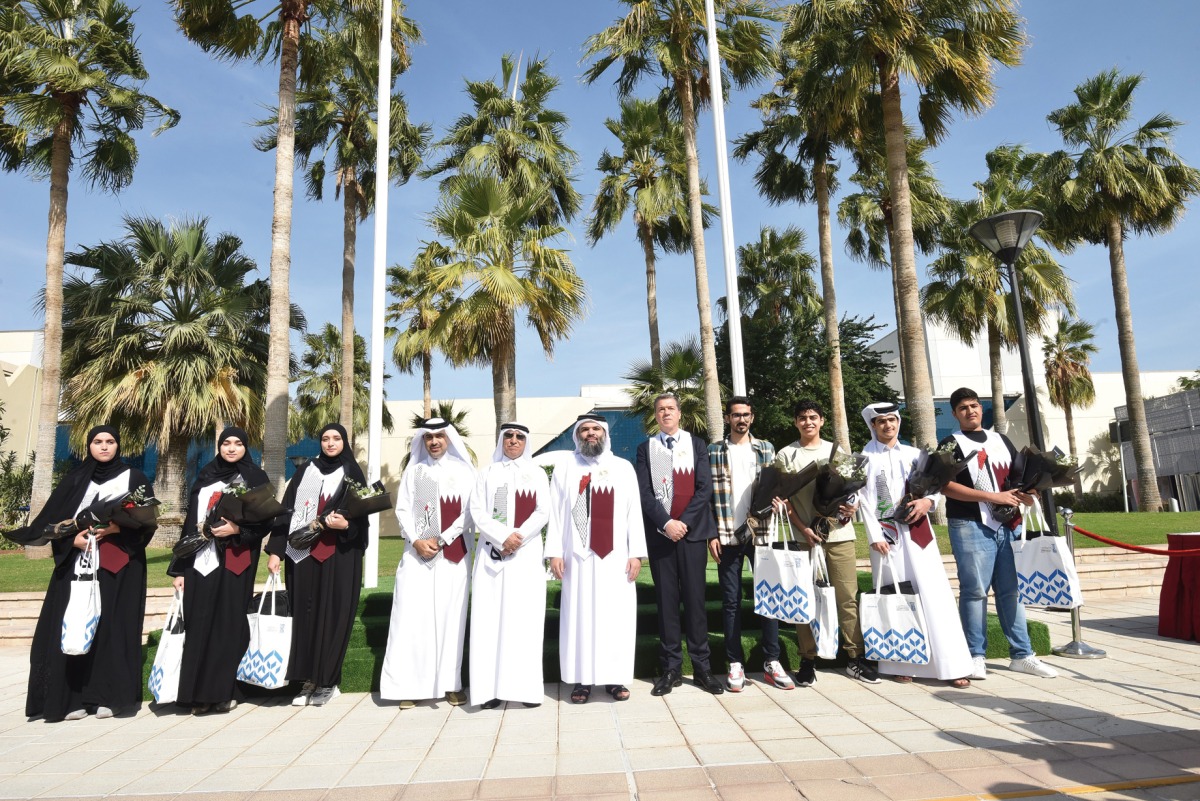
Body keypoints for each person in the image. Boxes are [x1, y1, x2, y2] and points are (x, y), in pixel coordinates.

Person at [18, 425, 157, 722]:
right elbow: (53, 525)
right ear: (89, 446)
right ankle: (72, 699)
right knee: (73, 625)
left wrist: (119, 527)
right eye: (97, 442)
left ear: (118, 446)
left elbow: (147, 523)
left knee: (112, 627)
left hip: (120, 565)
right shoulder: (75, 480)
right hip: (78, 563)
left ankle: (109, 697)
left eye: (109, 442)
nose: (104, 447)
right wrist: (72, 540)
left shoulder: (134, 478)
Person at [939, 387, 1058, 680]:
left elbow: (1017, 478)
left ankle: (1022, 654)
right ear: (955, 414)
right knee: (975, 591)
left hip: (1007, 525)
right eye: (964, 407)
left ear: (981, 408)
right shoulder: (950, 443)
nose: (971, 411)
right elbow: (945, 486)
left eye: (975, 405)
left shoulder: (1000, 439)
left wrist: (1029, 494)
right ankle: (975, 655)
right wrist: (994, 497)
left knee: (1010, 591)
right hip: (969, 524)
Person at [859, 403, 973, 687]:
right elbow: (861, 500)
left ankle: (951, 664)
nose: (888, 425)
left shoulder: (914, 455)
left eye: (892, 420)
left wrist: (928, 502)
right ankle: (901, 660)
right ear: (873, 425)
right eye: (881, 421)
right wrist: (874, 535)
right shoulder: (863, 458)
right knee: (895, 596)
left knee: (934, 594)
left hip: (918, 532)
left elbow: (936, 488)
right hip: (886, 538)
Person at [266, 423, 371, 707]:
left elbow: (363, 519)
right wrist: (276, 551)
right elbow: (286, 512)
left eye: (336, 438)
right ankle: (307, 681)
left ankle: (328, 681)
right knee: (306, 616)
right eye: (325, 438)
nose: (330, 443)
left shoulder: (352, 472)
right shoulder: (304, 471)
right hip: (302, 556)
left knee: (335, 616)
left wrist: (347, 524)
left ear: (344, 442)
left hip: (340, 555)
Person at [168, 427, 271, 714]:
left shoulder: (254, 477)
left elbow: (265, 521)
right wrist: (179, 569)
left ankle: (224, 692)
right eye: (226, 443)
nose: (231, 448)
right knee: (198, 624)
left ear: (245, 447)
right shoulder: (205, 476)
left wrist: (238, 529)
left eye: (238, 443)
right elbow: (190, 522)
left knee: (228, 625)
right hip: (200, 561)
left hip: (234, 559)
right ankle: (197, 694)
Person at [776, 400, 878, 686]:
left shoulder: (836, 451)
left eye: (812, 417)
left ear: (821, 421)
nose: (808, 422)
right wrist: (802, 529)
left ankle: (854, 657)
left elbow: (851, 491)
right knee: (804, 600)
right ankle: (808, 659)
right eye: (802, 418)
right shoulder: (786, 454)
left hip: (838, 537)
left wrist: (851, 506)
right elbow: (784, 499)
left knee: (846, 597)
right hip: (803, 538)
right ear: (795, 422)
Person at [547, 414, 647, 704]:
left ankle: (614, 679)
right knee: (580, 617)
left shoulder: (623, 467)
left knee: (615, 617)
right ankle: (582, 680)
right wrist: (554, 552)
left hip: (615, 559)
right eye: (585, 430)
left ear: (604, 433)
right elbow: (555, 512)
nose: (591, 434)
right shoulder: (565, 468)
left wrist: (636, 553)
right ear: (578, 435)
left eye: (595, 429)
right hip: (577, 558)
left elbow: (633, 513)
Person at [380, 417, 477, 707]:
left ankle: (450, 685)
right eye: (428, 437)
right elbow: (403, 510)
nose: (434, 442)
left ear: (449, 439)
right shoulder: (415, 472)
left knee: (451, 619)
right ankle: (408, 687)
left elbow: (471, 512)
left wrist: (443, 538)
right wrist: (417, 540)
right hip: (416, 554)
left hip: (453, 555)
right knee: (410, 618)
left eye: (440, 436)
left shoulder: (464, 472)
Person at [635, 393, 723, 696]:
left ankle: (702, 668)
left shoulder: (696, 445)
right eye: (660, 410)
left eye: (670, 408)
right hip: (662, 538)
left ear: (679, 413)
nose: (666, 413)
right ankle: (671, 668)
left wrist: (682, 522)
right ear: (656, 416)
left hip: (692, 535)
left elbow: (704, 488)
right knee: (667, 604)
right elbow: (644, 492)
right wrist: (666, 523)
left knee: (696, 602)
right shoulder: (647, 448)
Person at [708, 396, 793, 692]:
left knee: (768, 598)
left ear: (752, 418)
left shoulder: (766, 448)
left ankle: (772, 661)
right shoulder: (715, 451)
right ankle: (735, 663)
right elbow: (708, 496)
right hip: (728, 535)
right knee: (730, 603)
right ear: (728, 418)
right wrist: (712, 534)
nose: (740, 420)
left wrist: (780, 499)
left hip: (762, 535)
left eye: (745, 415)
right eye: (735, 415)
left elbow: (776, 486)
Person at [467, 422, 550, 709]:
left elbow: (543, 510)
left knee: (524, 621)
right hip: (492, 554)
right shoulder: (487, 474)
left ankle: (525, 690)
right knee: (488, 622)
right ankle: (489, 691)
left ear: (526, 442)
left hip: (525, 556)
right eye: (509, 436)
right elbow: (477, 510)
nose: (513, 441)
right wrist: (503, 536)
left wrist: (518, 537)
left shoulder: (537, 474)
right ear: (501, 440)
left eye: (519, 437)